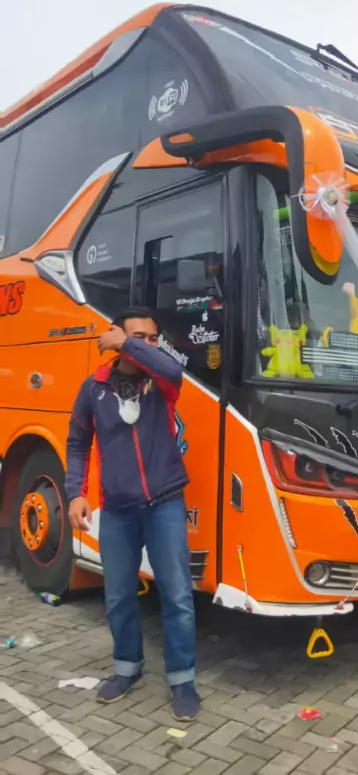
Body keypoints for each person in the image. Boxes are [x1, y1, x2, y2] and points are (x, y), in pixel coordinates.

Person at [65, 307, 199, 721]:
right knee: (119, 594)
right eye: (138, 337)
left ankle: (182, 680)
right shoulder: (94, 387)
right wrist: (75, 494)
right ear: (115, 336)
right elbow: (77, 443)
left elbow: (173, 370)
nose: (148, 345)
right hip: (118, 510)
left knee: (177, 595)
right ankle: (126, 668)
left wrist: (126, 343)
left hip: (165, 503)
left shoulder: (162, 382)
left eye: (153, 338)